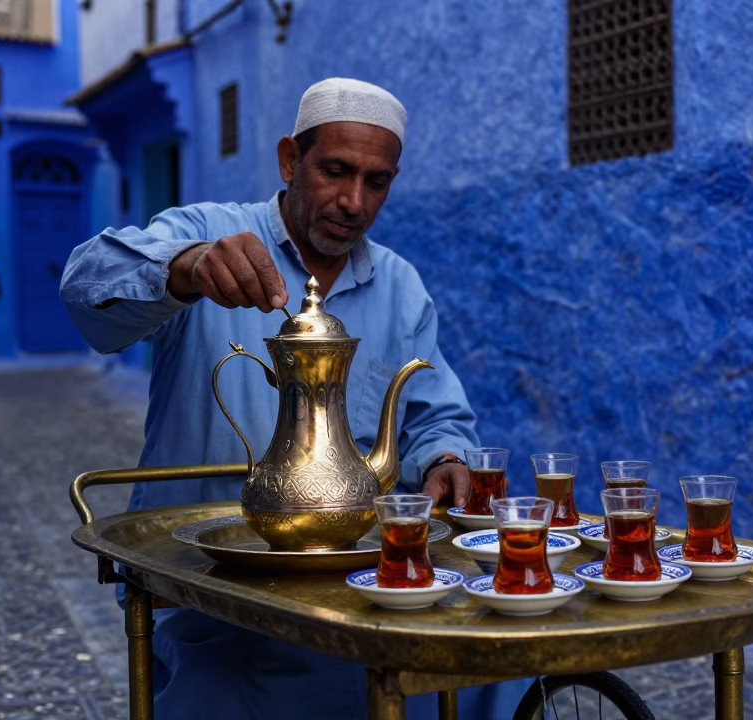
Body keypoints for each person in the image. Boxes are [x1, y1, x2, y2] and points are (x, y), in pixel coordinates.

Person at [61, 79, 524, 718]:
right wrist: (186, 268)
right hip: (213, 589)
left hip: (359, 584)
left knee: (501, 660)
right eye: (336, 171)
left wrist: (447, 457)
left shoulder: (398, 284)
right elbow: (86, 287)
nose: (354, 201)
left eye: (377, 181)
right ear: (289, 160)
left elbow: (435, 411)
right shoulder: (211, 234)